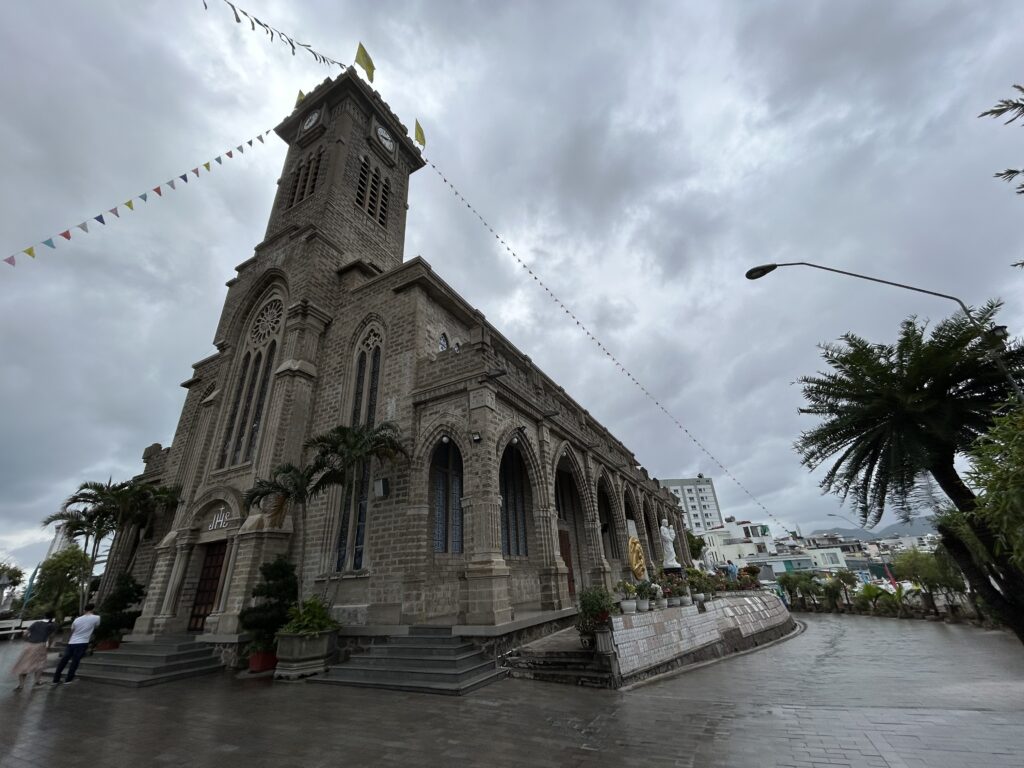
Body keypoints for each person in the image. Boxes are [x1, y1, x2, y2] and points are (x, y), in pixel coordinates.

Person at [52, 604, 101, 685]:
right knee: (75, 661)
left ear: (84, 610)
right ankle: (68, 679)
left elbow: (72, 630)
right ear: (93, 609)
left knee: (64, 660)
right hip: (83, 642)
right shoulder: (96, 618)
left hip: (72, 642)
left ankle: (55, 680)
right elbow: (96, 626)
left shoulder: (77, 619)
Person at [11, 612, 57, 691]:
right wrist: (49, 646)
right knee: (40, 663)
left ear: (44, 616)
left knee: (24, 664)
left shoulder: (36, 623)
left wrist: (27, 640)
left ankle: (21, 685)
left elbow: (25, 634)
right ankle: (37, 681)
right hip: (40, 645)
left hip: (29, 646)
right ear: (52, 618)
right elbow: (51, 637)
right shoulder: (52, 625)